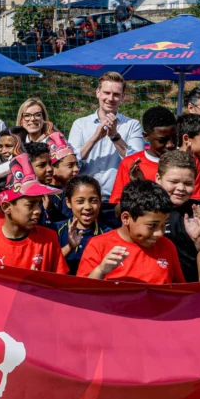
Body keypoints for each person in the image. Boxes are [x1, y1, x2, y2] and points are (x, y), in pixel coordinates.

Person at [0, 152, 65, 273]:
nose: (38, 211)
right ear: (6, 207)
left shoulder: (49, 239)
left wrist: (40, 282)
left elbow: (59, 282)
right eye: (30, 205)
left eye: (38, 203)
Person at [77, 180, 186, 284]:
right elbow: (81, 291)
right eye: (152, 225)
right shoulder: (98, 245)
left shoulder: (167, 246)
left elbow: (179, 291)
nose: (159, 233)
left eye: (164, 224)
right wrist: (100, 270)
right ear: (126, 218)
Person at [68, 72, 144, 200]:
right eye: (106, 93)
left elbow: (137, 163)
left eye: (116, 94)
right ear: (98, 93)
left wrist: (115, 136)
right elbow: (71, 163)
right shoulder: (80, 124)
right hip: (85, 198)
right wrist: (94, 139)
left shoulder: (132, 125)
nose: (110, 98)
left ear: (123, 97)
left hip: (119, 199)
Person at [156, 150, 200, 280]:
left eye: (187, 183)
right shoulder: (147, 209)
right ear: (158, 179)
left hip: (193, 285)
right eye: (174, 182)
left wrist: (199, 238)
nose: (181, 188)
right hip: (156, 284)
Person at [109, 106, 177, 205]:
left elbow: (196, 202)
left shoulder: (189, 162)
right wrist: (138, 186)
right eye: (162, 140)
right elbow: (117, 206)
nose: (170, 144)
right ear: (146, 136)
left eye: (174, 137)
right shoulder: (131, 165)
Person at [55, 175, 110, 276]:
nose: (87, 207)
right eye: (80, 201)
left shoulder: (107, 234)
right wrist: (69, 247)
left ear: (100, 201)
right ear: (68, 202)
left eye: (93, 200)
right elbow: (48, 264)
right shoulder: (56, 230)